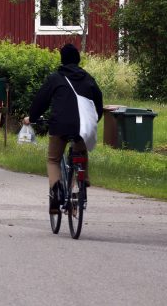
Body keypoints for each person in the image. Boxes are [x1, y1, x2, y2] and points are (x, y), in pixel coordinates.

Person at [23, 43, 103, 214]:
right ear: (78, 59)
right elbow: (99, 104)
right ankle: (81, 184)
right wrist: (93, 121)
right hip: (82, 127)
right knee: (80, 153)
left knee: (53, 159)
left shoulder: (55, 78)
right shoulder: (88, 78)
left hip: (59, 125)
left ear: (62, 59)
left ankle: (56, 193)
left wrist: (33, 118)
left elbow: (40, 102)